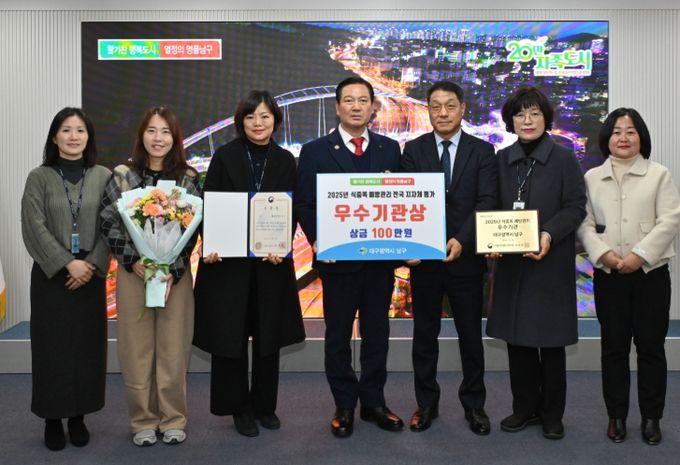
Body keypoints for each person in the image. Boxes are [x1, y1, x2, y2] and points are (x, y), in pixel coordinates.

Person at [193, 90, 305, 437]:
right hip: (230, 267)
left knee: (269, 338)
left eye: (265, 116)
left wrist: (283, 243)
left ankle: (265, 406)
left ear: (276, 121)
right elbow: (210, 203)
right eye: (251, 117)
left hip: (270, 264)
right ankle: (238, 408)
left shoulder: (285, 159)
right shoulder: (224, 156)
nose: (258, 123)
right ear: (241, 122)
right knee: (232, 336)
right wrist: (211, 242)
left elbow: (292, 208)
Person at [295, 76, 403, 438]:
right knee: (338, 336)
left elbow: (401, 201)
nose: (356, 106)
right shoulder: (315, 151)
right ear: (338, 107)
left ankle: (373, 401)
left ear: (372, 107)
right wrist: (320, 241)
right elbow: (305, 204)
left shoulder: (390, 149)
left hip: (379, 262)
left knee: (377, 334)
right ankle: (344, 403)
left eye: (363, 100)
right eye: (349, 100)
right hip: (338, 262)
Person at [485, 87, 586, 440]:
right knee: (518, 341)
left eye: (534, 113)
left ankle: (552, 414)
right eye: (520, 114)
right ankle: (524, 407)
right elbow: (491, 205)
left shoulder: (564, 158)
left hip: (550, 262)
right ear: (511, 121)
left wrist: (548, 234)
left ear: (546, 118)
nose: (527, 120)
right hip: (512, 265)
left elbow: (575, 206)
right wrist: (489, 239)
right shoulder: (501, 159)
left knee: (552, 343)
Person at [577, 108, 680, 445]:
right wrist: (602, 253)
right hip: (609, 275)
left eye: (631, 131)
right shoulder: (592, 177)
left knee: (651, 348)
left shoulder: (659, 174)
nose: (623, 138)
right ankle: (616, 416)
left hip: (650, 275)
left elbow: (670, 220)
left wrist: (640, 255)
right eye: (617, 132)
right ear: (606, 138)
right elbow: (584, 223)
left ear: (641, 138)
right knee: (614, 348)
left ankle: (651, 418)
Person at [400, 81, 497, 434]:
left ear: (462, 109)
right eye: (435, 106)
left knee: (471, 337)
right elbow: (405, 200)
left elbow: (487, 200)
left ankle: (475, 406)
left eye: (450, 105)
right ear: (428, 110)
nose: (443, 113)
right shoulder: (413, 149)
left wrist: (462, 239)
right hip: (424, 261)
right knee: (424, 337)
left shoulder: (482, 150)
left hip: (466, 260)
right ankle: (426, 404)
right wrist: (411, 246)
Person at [100, 106, 200, 446]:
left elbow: (194, 228)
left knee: (174, 349)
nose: (158, 138)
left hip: (175, 278)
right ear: (142, 135)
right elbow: (109, 222)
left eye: (165, 132)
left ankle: (173, 418)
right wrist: (133, 261)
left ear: (175, 138)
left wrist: (173, 267)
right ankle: (142, 419)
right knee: (136, 350)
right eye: (152, 131)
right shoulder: (122, 175)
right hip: (134, 275)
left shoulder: (188, 177)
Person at [21, 107, 111, 451]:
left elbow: (113, 223)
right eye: (66, 130)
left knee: (87, 348)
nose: (74, 136)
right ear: (54, 137)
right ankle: (52, 418)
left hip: (91, 273)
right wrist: (66, 263)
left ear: (89, 137)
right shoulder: (39, 177)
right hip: (52, 276)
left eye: (80, 130)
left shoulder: (103, 176)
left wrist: (91, 263)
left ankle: (78, 417)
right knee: (52, 348)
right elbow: (33, 225)